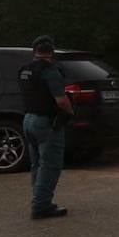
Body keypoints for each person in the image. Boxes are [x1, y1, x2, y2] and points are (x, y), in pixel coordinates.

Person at [18, 35, 74, 220]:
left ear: (34, 50)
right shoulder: (50, 71)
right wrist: (70, 112)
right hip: (46, 122)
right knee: (50, 165)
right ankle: (41, 206)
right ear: (51, 50)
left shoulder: (24, 70)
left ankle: (39, 199)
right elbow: (61, 100)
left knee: (37, 164)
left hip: (28, 120)